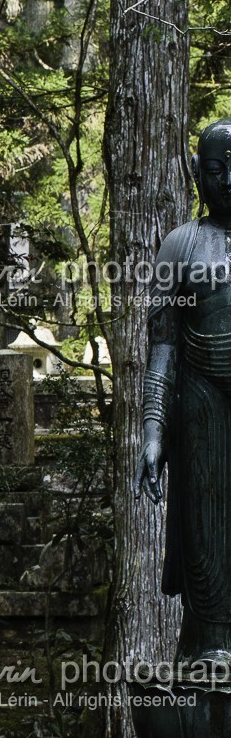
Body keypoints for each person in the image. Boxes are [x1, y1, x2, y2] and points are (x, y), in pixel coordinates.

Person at [137, 118, 231, 664]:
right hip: (201, 406)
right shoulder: (182, 245)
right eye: (218, 170)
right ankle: (212, 643)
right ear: (199, 173)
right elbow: (164, 348)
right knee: (207, 537)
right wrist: (153, 432)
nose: (230, 182)